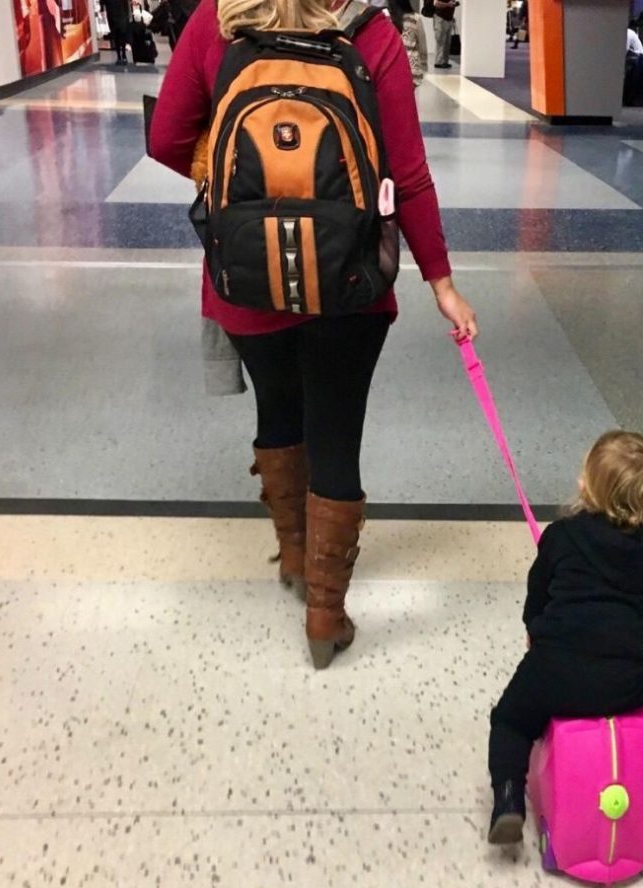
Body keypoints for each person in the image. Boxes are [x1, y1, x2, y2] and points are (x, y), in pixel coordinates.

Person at [149, 0, 478, 669]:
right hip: (348, 280)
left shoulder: (220, 16)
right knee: (336, 431)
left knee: (278, 408)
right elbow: (407, 174)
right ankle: (325, 615)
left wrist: (241, 193)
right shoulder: (369, 30)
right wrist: (440, 281)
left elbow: (163, 139)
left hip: (245, 274)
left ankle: (296, 558)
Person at [487, 431, 643, 845]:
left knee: (509, 720)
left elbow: (537, 595)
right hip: (623, 678)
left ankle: (507, 799)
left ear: (585, 486)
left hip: (552, 670)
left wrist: (535, 632)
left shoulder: (559, 536)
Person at [388, 0, 428, 87]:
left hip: (392, 67)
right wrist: (424, 63)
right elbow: (422, 43)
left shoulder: (388, 20)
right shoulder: (415, 18)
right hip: (412, 67)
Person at [101, 0, 131, 65]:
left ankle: (121, 55)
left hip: (118, 15)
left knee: (119, 35)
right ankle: (121, 55)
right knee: (118, 35)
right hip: (116, 15)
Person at [433, 0, 457, 69]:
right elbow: (436, 3)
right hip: (440, 18)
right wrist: (448, 4)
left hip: (449, 18)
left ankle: (445, 62)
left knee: (447, 42)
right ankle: (438, 62)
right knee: (440, 40)